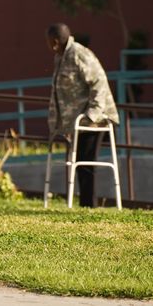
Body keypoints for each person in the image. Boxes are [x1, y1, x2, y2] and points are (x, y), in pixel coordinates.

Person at [46, 23, 119, 208]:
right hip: (78, 120)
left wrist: (92, 114)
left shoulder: (79, 54)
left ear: (55, 42)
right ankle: (85, 204)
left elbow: (99, 82)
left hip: (95, 118)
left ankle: (89, 205)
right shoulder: (60, 57)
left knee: (86, 161)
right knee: (78, 161)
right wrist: (58, 124)